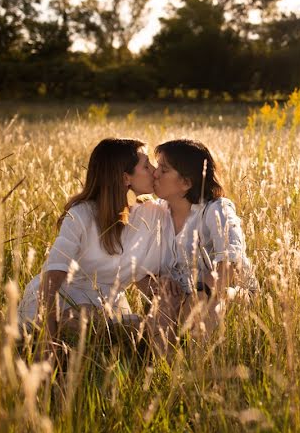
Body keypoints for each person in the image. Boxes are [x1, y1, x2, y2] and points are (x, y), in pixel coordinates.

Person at [18, 138, 177, 337]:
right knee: (86, 319)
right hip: (58, 304)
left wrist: (166, 289)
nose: (154, 171)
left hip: (107, 307)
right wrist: (48, 339)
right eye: (146, 166)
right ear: (126, 178)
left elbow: (143, 276)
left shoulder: (151, 214)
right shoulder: (81, 214)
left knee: (142, 328)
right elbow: (53, 275)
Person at [152, 139, 257, 327]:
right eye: (156, 166)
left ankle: (198, 356)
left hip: (225, 290)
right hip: (181, 295)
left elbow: (230, 264)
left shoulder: (217, 210)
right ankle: (164, 357)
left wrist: (200, 294)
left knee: (206, 306)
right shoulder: (157, 212)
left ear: (186, 182)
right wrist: (162, 281)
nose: (155, 173)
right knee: (163, 309)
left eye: (164, 169)